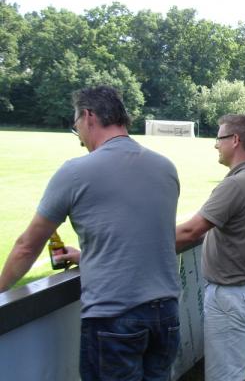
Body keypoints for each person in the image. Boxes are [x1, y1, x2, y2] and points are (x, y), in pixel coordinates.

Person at [0, 86, 181, 380]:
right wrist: (88, 257)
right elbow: (142, 240)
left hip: (114, 319)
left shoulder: (75, 172)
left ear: (88, 116)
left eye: (76, 128)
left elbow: (26, 246)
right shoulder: (165, 167)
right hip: (166, 316)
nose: (80, 139)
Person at [175, 114, 245, 381]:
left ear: (235, 140)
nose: (216, 145)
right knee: (241, 365)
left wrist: (136, 245)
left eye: (219, 138)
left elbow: (190, 231)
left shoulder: (235, 184)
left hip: (231, 297)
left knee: (225, 375)